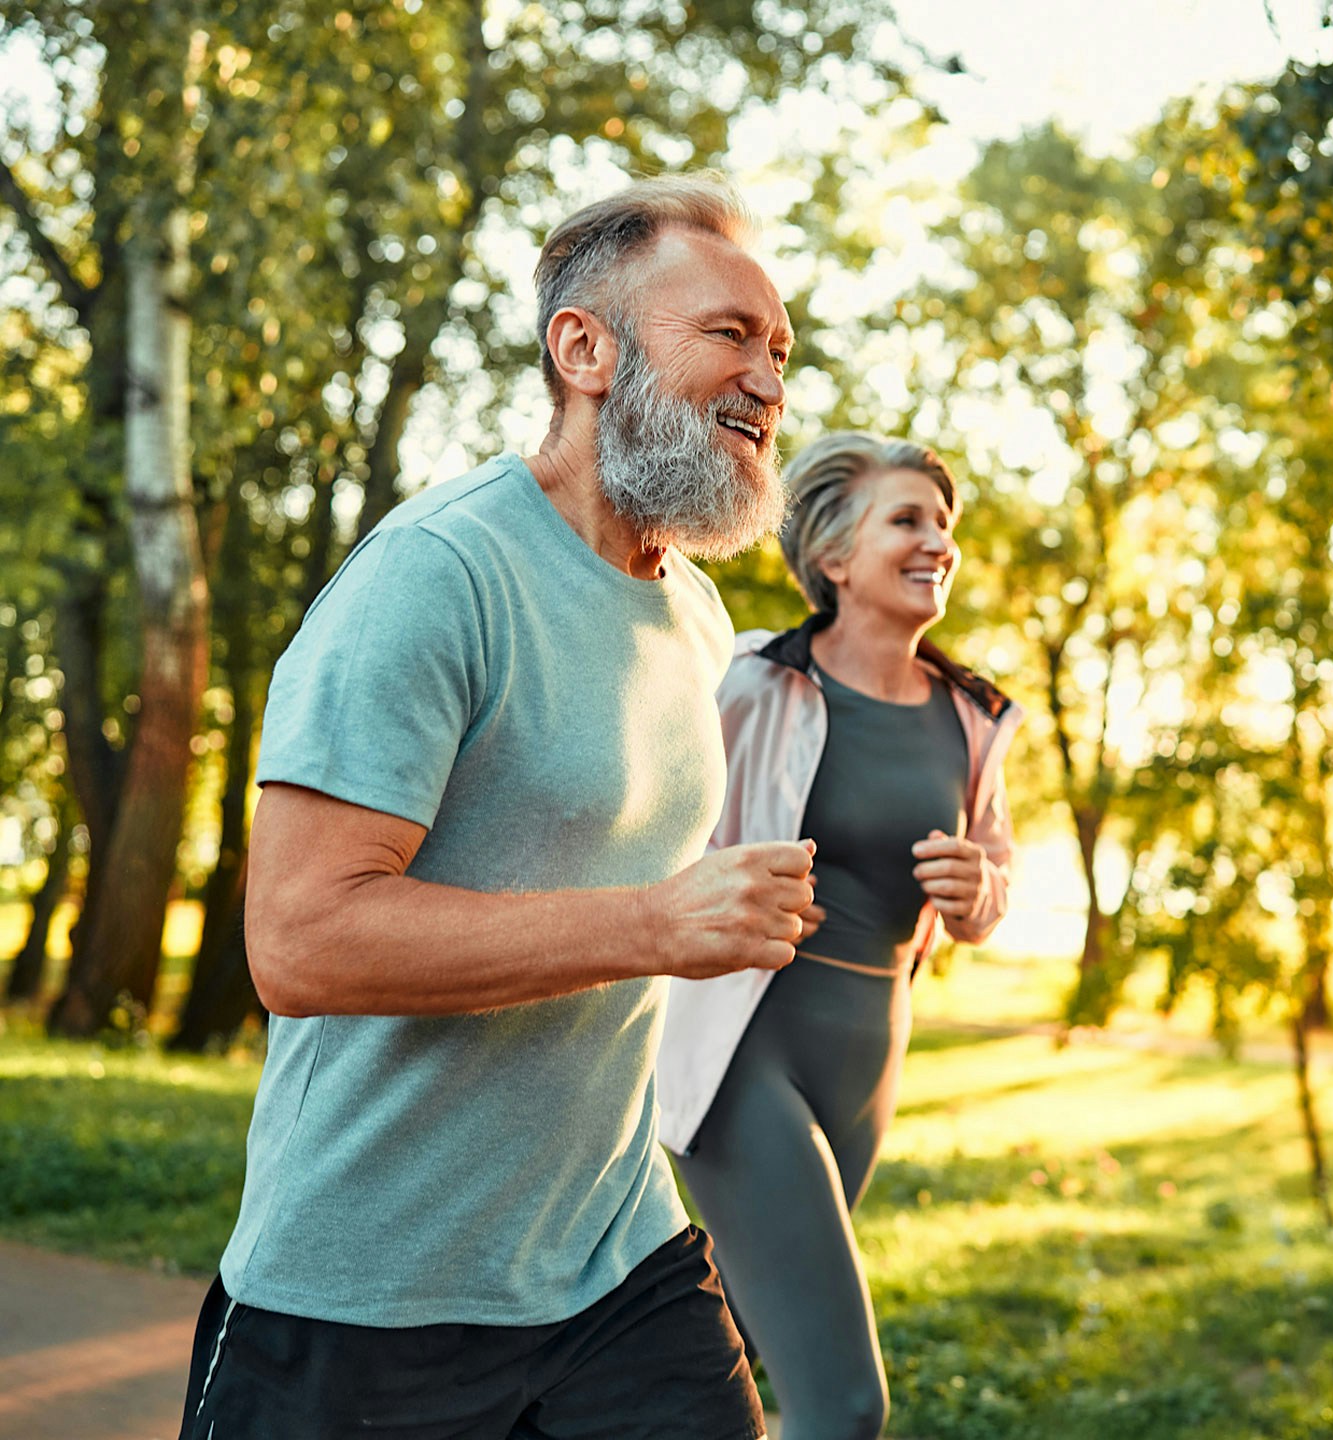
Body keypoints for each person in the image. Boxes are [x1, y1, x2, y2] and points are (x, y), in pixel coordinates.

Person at [177, 174, 815, 1440]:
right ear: (585, 349)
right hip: (367, 1293)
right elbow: (300, 941)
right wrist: (652, 926)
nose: (768, 380)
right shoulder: (436, 577)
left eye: (782, 350)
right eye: (730, 335)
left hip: (615, 1258)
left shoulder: (692, 611)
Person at [657, 432, 1022, 1440]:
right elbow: (652, 841)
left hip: (868, 1055)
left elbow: (996, 880)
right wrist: (734, 888)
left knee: (717, 1362)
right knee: (844, 1405)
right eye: (907, 520)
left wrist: (979, 891)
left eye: (944, 525)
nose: (937, 542)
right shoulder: (745, 682)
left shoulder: (973, 716)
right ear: (833, 557)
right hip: (746, 1048)